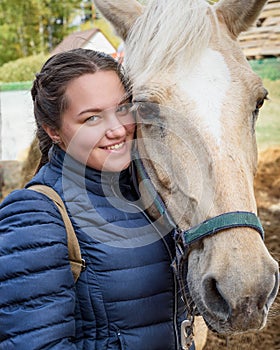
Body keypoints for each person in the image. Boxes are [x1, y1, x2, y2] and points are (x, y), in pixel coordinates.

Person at [0, 49, 186, 350]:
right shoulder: (33, 214)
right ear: (54, 131)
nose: (117, 130)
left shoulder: (146, 193)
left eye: (123, 108)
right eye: (91, 118)